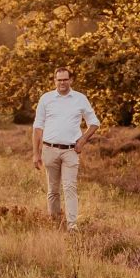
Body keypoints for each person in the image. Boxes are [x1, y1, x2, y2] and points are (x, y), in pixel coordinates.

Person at [32, 66, 101, 232]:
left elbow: (94, 123)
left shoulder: (80, 99)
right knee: (53, 189)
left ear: (71, 80)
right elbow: (37, 127)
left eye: (65, 79)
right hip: (49, 149)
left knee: (70, 187)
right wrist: (36, 153)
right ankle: (55, 222)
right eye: (59, 79)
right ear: (54, 80)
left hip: (71, 151)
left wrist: (83, 140)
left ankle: (72, 225)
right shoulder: (46, 99)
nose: (62, 82)